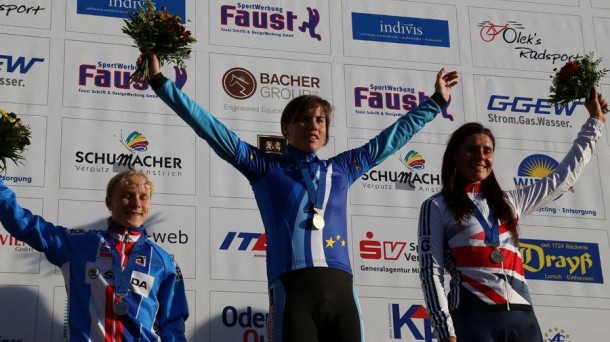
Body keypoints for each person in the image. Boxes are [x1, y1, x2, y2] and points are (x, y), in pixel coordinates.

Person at [143, 52, 458, 341]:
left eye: (320, 120)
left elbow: (395, 136)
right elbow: (210, 128)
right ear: (285, 128)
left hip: (342, 292)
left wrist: (436, 102)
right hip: (292, 291)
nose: (313, 126)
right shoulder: (265, 167)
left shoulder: (343, 168)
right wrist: (160, 83)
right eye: (304, 119)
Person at [417, 89, 607, 342]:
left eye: (487, 151)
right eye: (472, 150)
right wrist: (445, 332)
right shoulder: (437, 205)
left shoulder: (510, 201)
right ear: (454, 155)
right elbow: (431, 272)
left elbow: (562, 178)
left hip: (523, 318)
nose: (481, 157)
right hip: (473, 317)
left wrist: (595, 121)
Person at [0, 169, 189, 341]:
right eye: (127, 196)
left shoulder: (163, 261)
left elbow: (172, 325)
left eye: (143, 197)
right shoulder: (80, 245)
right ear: (109, 202)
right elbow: (23, 224)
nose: (136, 203)